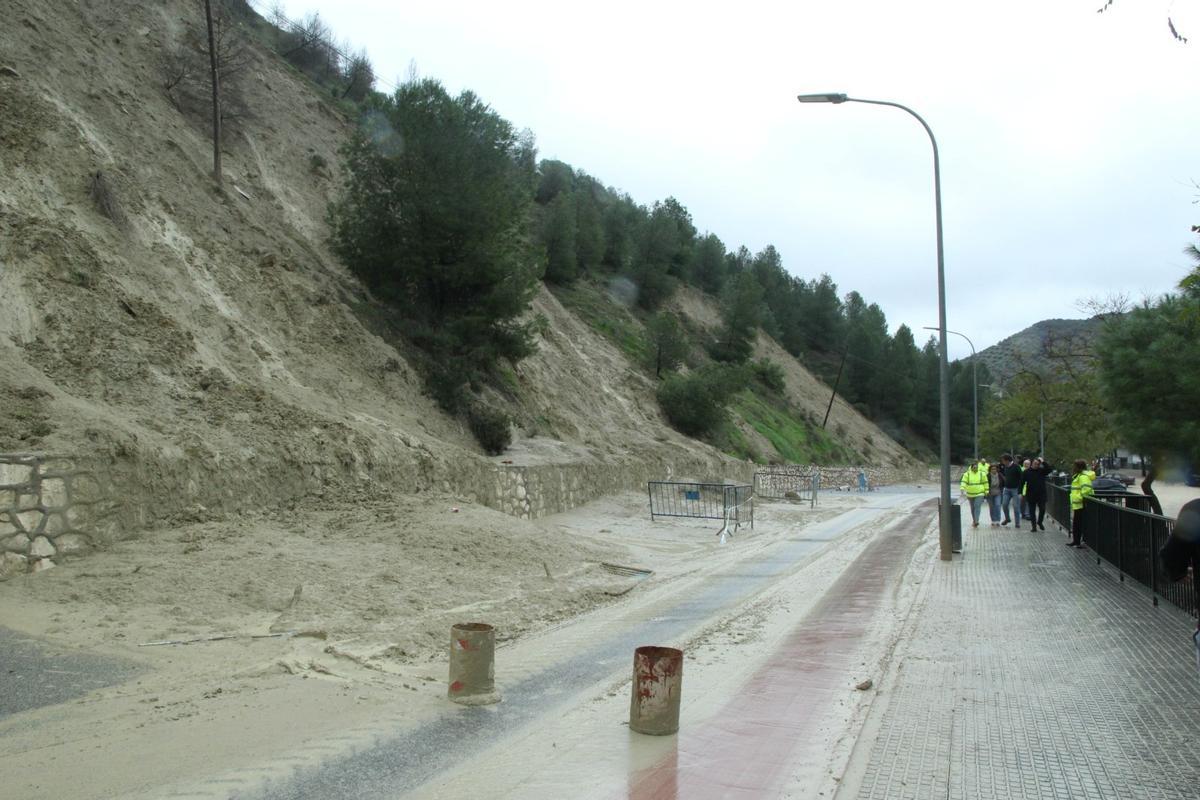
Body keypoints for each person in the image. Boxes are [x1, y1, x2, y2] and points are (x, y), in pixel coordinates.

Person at [1067, 458, 1095, 548]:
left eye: (1074, 466)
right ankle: (1076, 541)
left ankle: (1078, 542)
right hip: (1078, 505)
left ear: (1078, 467)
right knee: (1076, 524)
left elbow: (1086, 491)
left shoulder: (1083, 477)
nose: (1073, 468)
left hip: (1081, 504)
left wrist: (1078, 498)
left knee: (1079, 524)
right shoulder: (1079, 476)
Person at [1021, 457, 1051, 531]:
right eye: (1035, 463)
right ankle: (1034, 527)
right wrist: (1020, 492)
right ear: (1032, 463)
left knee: (1042, 509)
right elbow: (1021, 482)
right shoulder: (1026, 472)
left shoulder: (1042, 471)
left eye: (1038, 464)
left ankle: (1040, 522)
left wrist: (1043, 462)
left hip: (1041, 494)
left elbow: (1049, 470)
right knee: (1032, 511)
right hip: (1031, 494)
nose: (1036, 465)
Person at [959, 460, 989, 528]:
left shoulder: (982, 474)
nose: (975, 468)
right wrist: (962, 488)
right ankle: (974, 520)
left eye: (976, 467)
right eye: (974, 467)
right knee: (973, 508)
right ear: (971, 468)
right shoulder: (967, 474)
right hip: (970, 494)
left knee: (977, 506)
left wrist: (986, 491)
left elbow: (985, 482)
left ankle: (976, 521)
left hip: (980, 493)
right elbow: (964, 482)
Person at [1000, 454, 1024, 529]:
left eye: (1003, 461)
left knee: (1016, 507)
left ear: (1007, 460)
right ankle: (1007, 518)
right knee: (1004, 504)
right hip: (1007, 489)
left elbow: (1022, 478)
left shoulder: (1016, 467)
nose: (1002, 462)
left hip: (1015, 489)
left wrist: (1020, 490)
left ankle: (1017, 523)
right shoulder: (1005, 467)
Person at [987, 463, 1004, 527]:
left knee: (997, 505)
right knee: (991, 507)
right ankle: (993, 520)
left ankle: (998, 520)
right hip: (990, 493)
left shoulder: (1000, 475)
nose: (994, 470)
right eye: (992, 469)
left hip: (998, 493)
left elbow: (1004, 482)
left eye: (995, 469)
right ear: (990, 470)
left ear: (997, 469)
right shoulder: (988, 476)